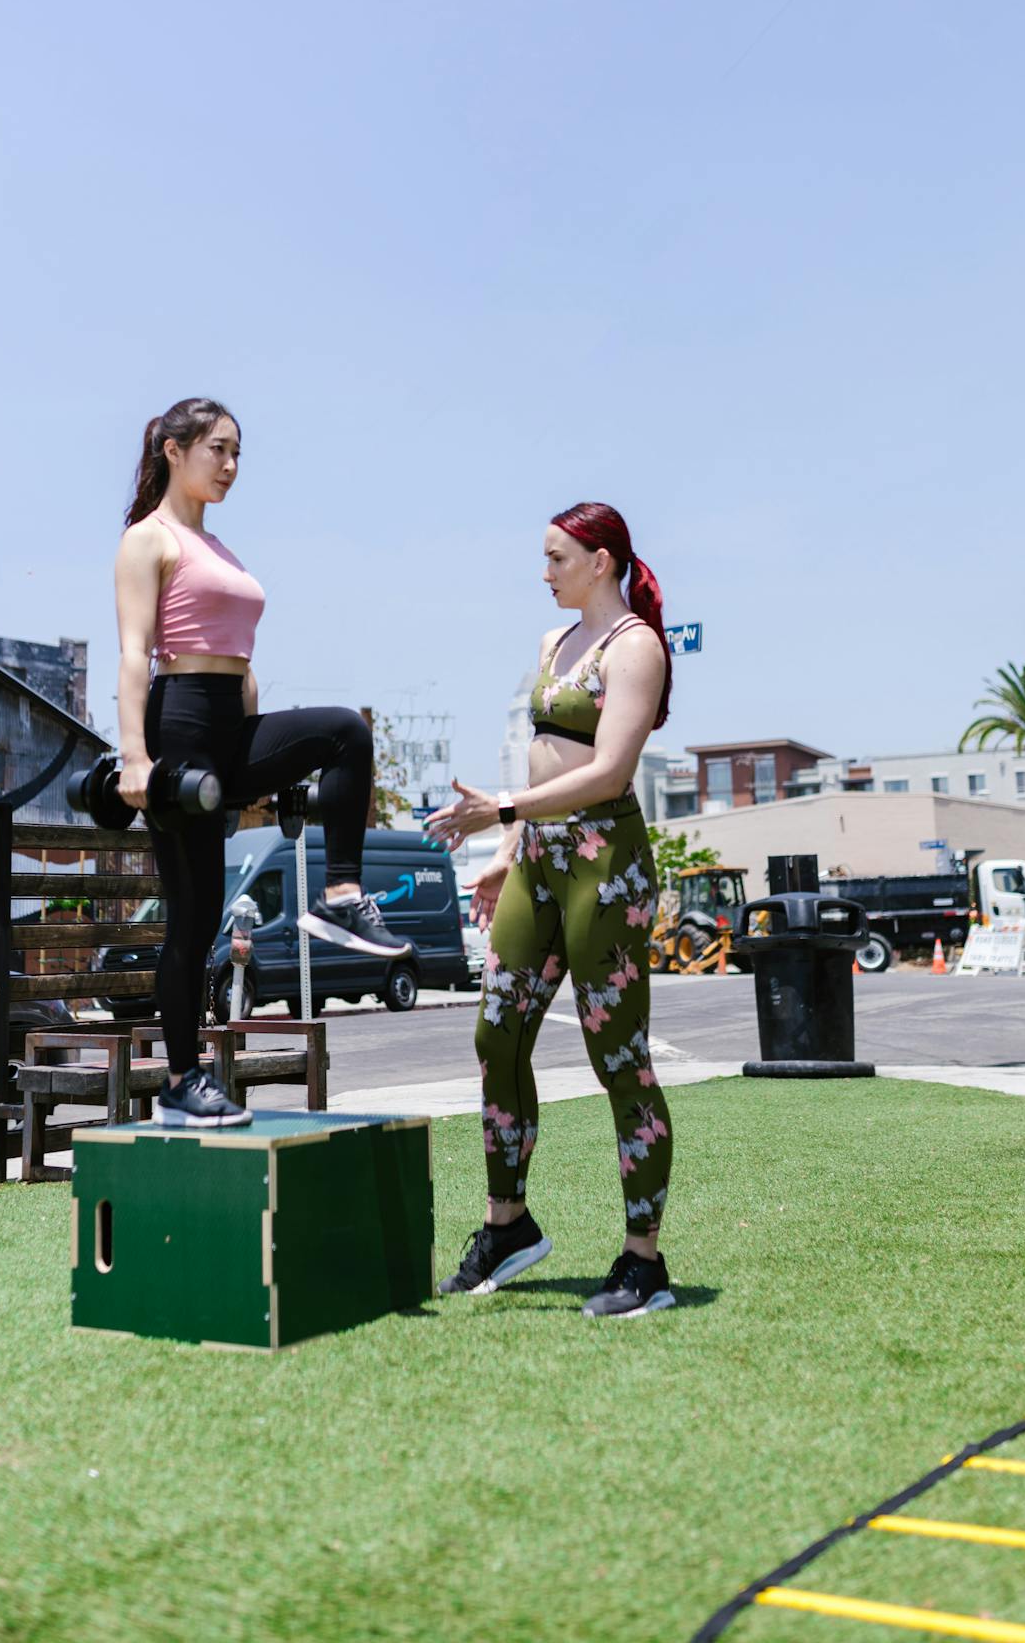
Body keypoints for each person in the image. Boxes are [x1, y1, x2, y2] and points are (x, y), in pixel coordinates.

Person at [114, 396, 414, 1128]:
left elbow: (243, 664)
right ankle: (182, 1081)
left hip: (229, 723)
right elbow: (132, 654)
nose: (230, 465)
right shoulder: (146, 541)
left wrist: (268, 773)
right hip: (177, 722)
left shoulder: (219, 548)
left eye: (237, 452)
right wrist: (133, 759)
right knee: (194, 920)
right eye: (217, 449)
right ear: (172, 450)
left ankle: (341, 894)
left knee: (344, 732)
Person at [425, 503, 677, 1319]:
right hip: (537, 863)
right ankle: (508, 1224)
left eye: (557, 558)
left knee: (619, 1060)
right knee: (494, 1036)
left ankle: (644, 1261)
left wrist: (501, 809)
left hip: (603, 868)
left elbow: (607, 771)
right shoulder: (553, 644)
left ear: (600, 560)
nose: (545, 573)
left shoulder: (634, 646)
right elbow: (539, 752)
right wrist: (505, 852)